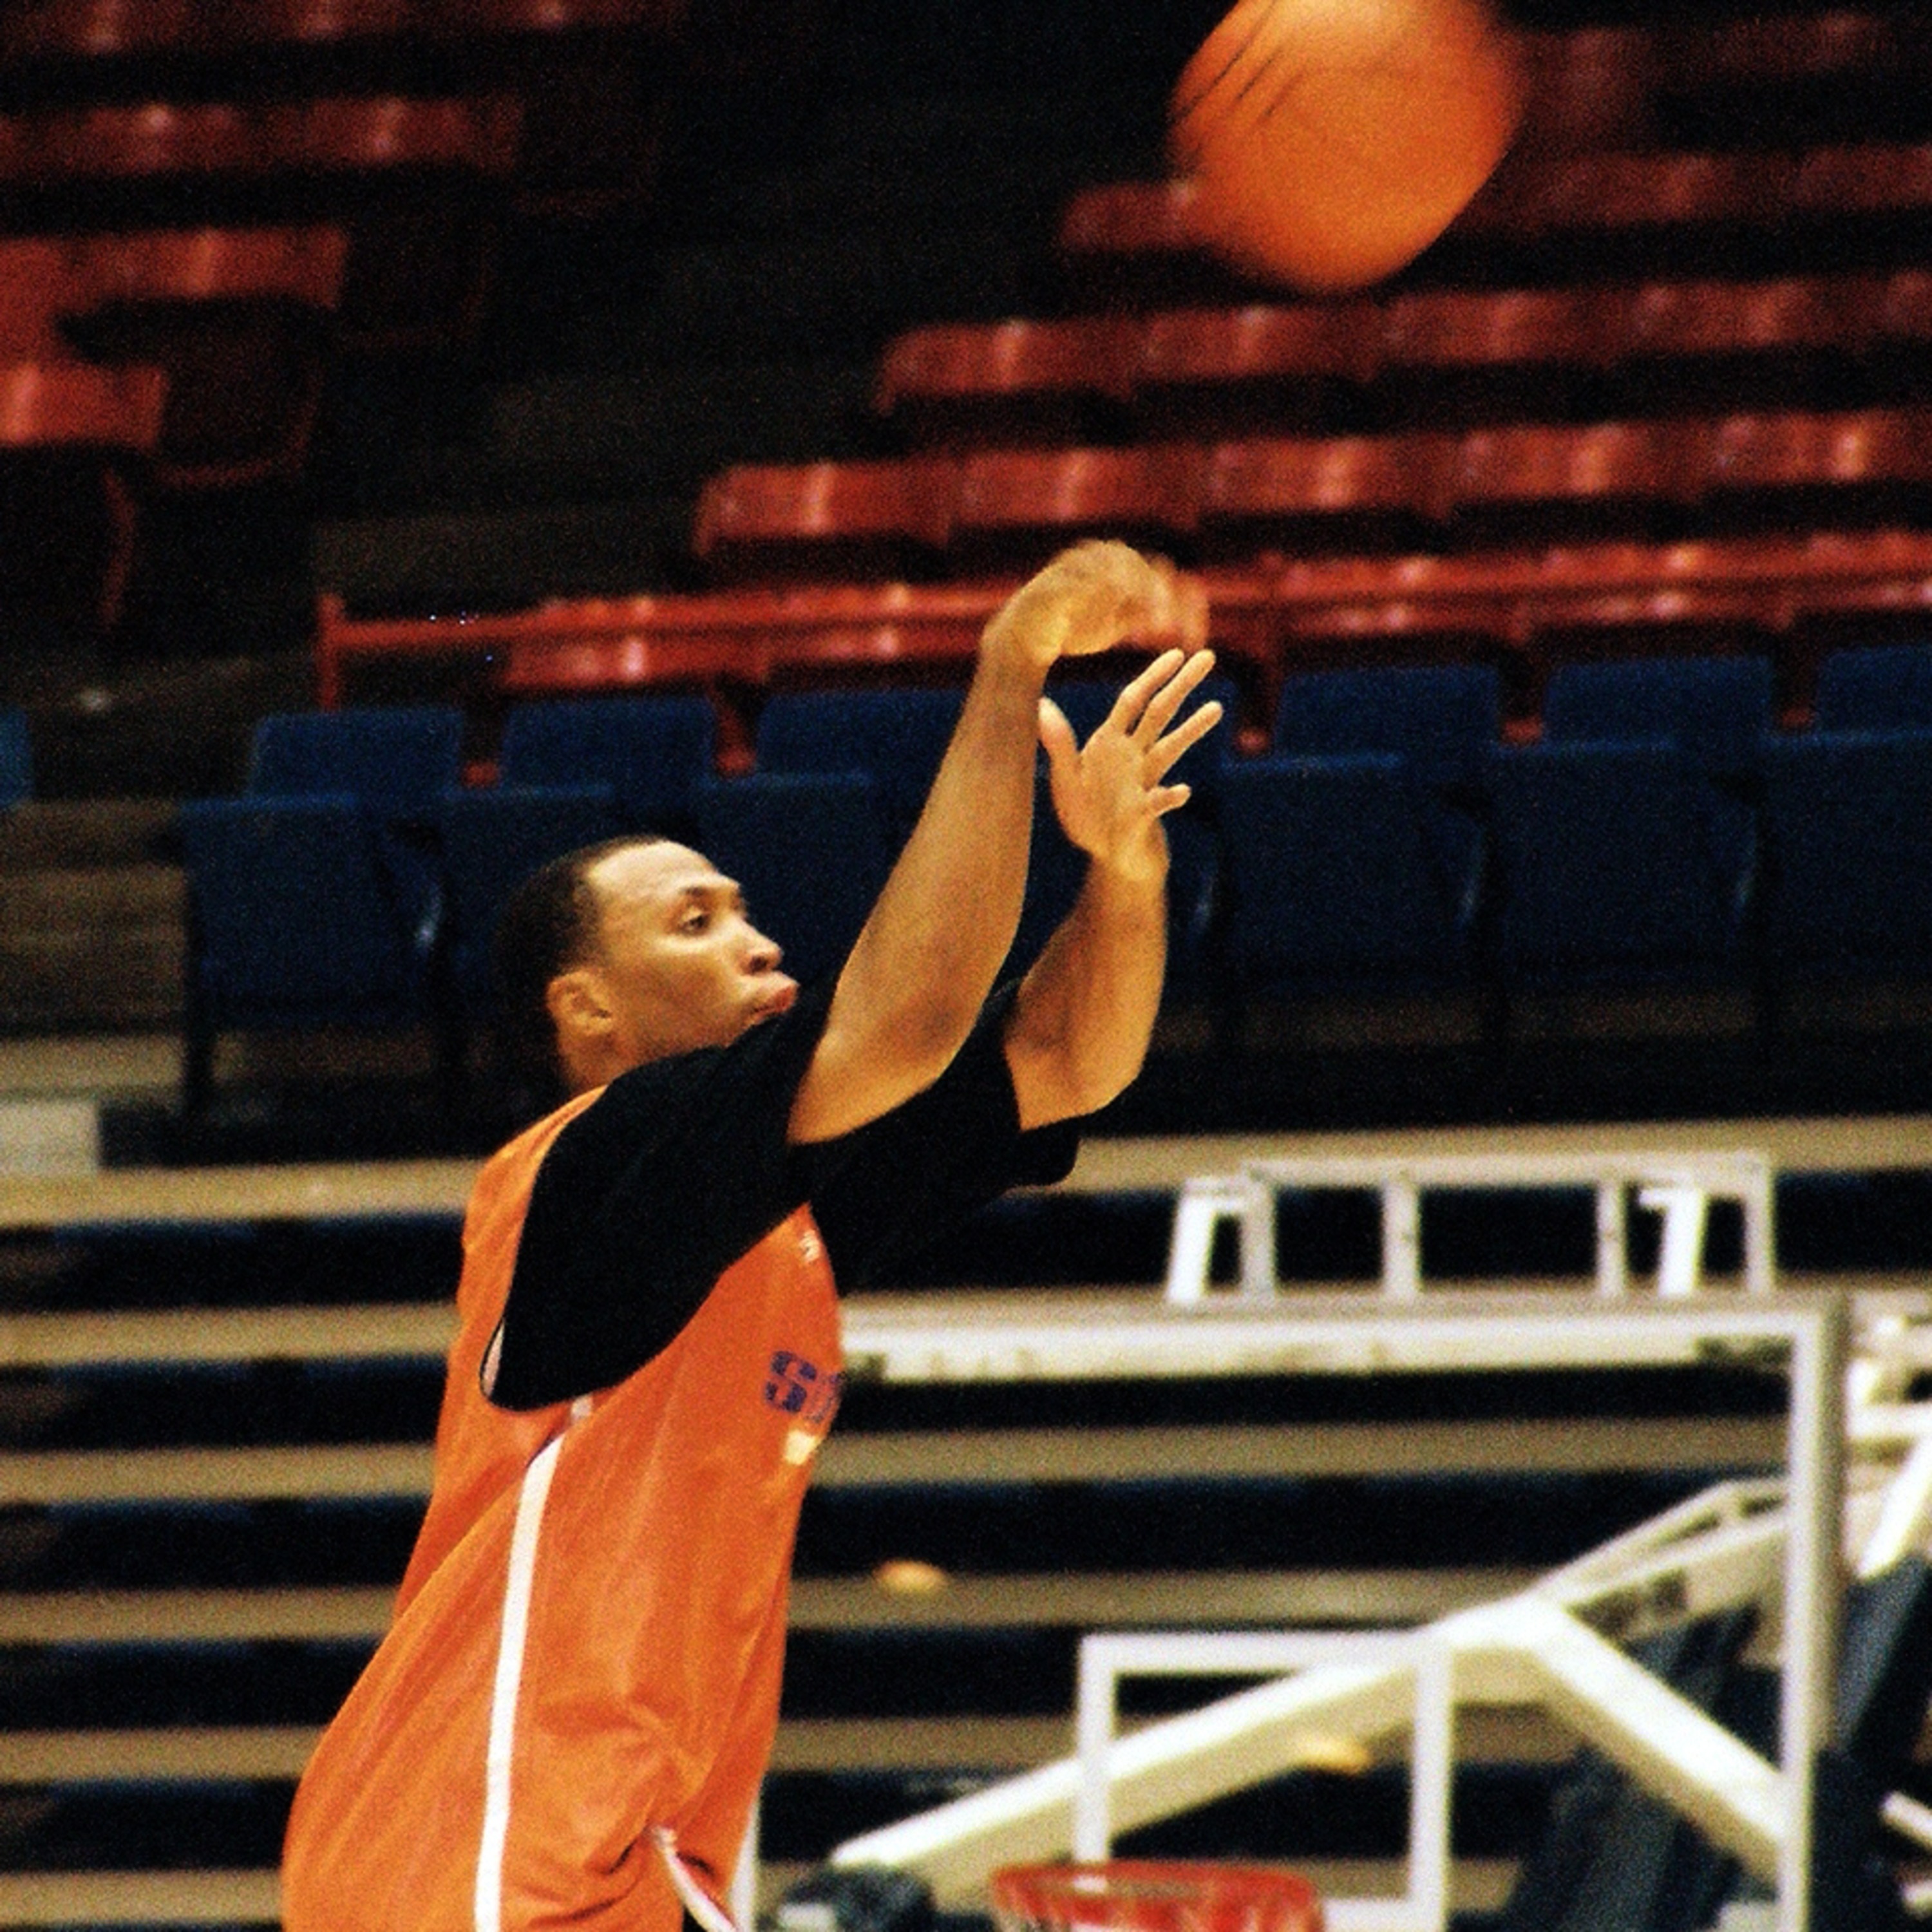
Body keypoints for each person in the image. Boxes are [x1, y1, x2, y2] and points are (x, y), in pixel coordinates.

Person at [280, 540, 1221, 1932]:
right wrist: (1008, 668)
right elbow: (911, 1016)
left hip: (636, 1856)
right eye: (696, 922)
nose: (758, 942)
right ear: (588, 1009)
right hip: (472, 1838)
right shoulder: (583, 1167)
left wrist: (1124, 871)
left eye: (744, 910)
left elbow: (1061, 1060)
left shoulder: (779, 1216)